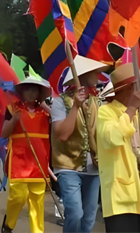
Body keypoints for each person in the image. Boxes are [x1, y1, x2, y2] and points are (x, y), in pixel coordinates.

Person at [96, 63, 140, 233]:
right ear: (131, 87)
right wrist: (130, 110)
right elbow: (112, 138)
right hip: (120, 196)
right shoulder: (105, 112)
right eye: (139, 85)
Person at [50, 56, 108, 233]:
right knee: (75, 212)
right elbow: (62, 135)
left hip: (94, 168)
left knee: (89, 216)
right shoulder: (60, 102)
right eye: (94, 73)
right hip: (68, 167)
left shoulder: (98, 103)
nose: (98, 77)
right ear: (84, 75)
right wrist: (75, 106)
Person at [1, 76, 52, 233]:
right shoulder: (13, 109)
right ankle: (9, 223)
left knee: (37, 201)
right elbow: (4, 133)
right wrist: (14, 120)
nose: (31, 93)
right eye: (28, 89)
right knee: (18, 196)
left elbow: (57, 123)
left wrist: (45, 105)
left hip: (39, 161)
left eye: (35, 89)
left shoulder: (46, 112)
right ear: (22, 91)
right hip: (19, 161)